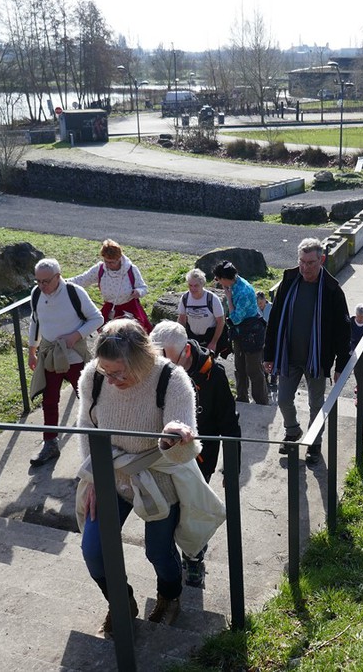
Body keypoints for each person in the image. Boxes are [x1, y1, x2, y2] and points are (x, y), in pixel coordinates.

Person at [75, 321, 224, 632]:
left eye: (119, 373)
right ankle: (120, 602)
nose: (111, 380)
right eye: (106, 372)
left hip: (158, 475)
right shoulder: (93, 376)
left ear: (142, 358)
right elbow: (87, 427)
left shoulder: (172, 379)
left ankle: (169, 596)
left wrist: (174, 436)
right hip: (110, 472)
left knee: (158, 551)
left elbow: (184, 451)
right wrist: (94, 478)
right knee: (93, 550)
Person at [149, 321, 241, 588]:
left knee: (192, 511)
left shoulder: (213, 375)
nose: (161, 367)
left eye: (167, 359)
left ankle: (193, 557)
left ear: (186, 351)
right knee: (167, 511)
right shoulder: (156, 373)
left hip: (199, 459)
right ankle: (168, 560)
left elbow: (229, 424)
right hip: (163, 457)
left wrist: (232, 467)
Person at [262, 238, 351, 466]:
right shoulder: (290, 280)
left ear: (322, 260)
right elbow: (274, 319)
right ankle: (292, 430)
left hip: (317, 360)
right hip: (288, 356)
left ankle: (314, 443)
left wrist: (340, 365)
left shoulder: (332, 290)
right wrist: (268, 354)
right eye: (301, 261)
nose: (305, 268)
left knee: (316, 405)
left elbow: (343, 331)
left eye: (310, 263)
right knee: (283, 399)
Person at [28, 258, 102, 466]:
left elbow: (97, 318)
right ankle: (50, 444)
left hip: (75, 356)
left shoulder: (74, 292)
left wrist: (75, 336)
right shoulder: (36, 294)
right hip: (50, 356)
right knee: (49, 399)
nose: (42, 286)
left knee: (88, 398)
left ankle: (99, 443)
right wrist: (32, 351)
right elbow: (35, 321)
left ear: (58, 277)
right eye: (38, 281)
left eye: (46, 281)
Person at [213, 261, 268, 405]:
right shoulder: (233, 284)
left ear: (225, 278)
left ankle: (261, 402)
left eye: (218, 279)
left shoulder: (244, 291)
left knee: (254, 370)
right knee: (240, 368)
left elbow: (236, 318)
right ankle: (242, 398)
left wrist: (229, 298)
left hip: (252, 334)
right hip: (239, 334)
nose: (217, 282)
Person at [68, 239, 152, 332]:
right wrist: (63, 282)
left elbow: (143, 288)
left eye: (112, 262)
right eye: (106, 261)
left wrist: (138, 292)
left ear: (119, 258)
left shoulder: (131, 269)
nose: (108, 265)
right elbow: (82, 279)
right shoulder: (100, 269)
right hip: (110, 310)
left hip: (130, 310)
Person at [176, 268, 225, 354]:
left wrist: (214, 342)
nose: (193, 288)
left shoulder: (212, 299)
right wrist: (180, 338)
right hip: (192, 336)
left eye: (196, 286)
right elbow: (181, 319)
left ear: (202, 284)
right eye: (190, 285)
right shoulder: (185, 298)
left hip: (209, 337)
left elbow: (220, 321)